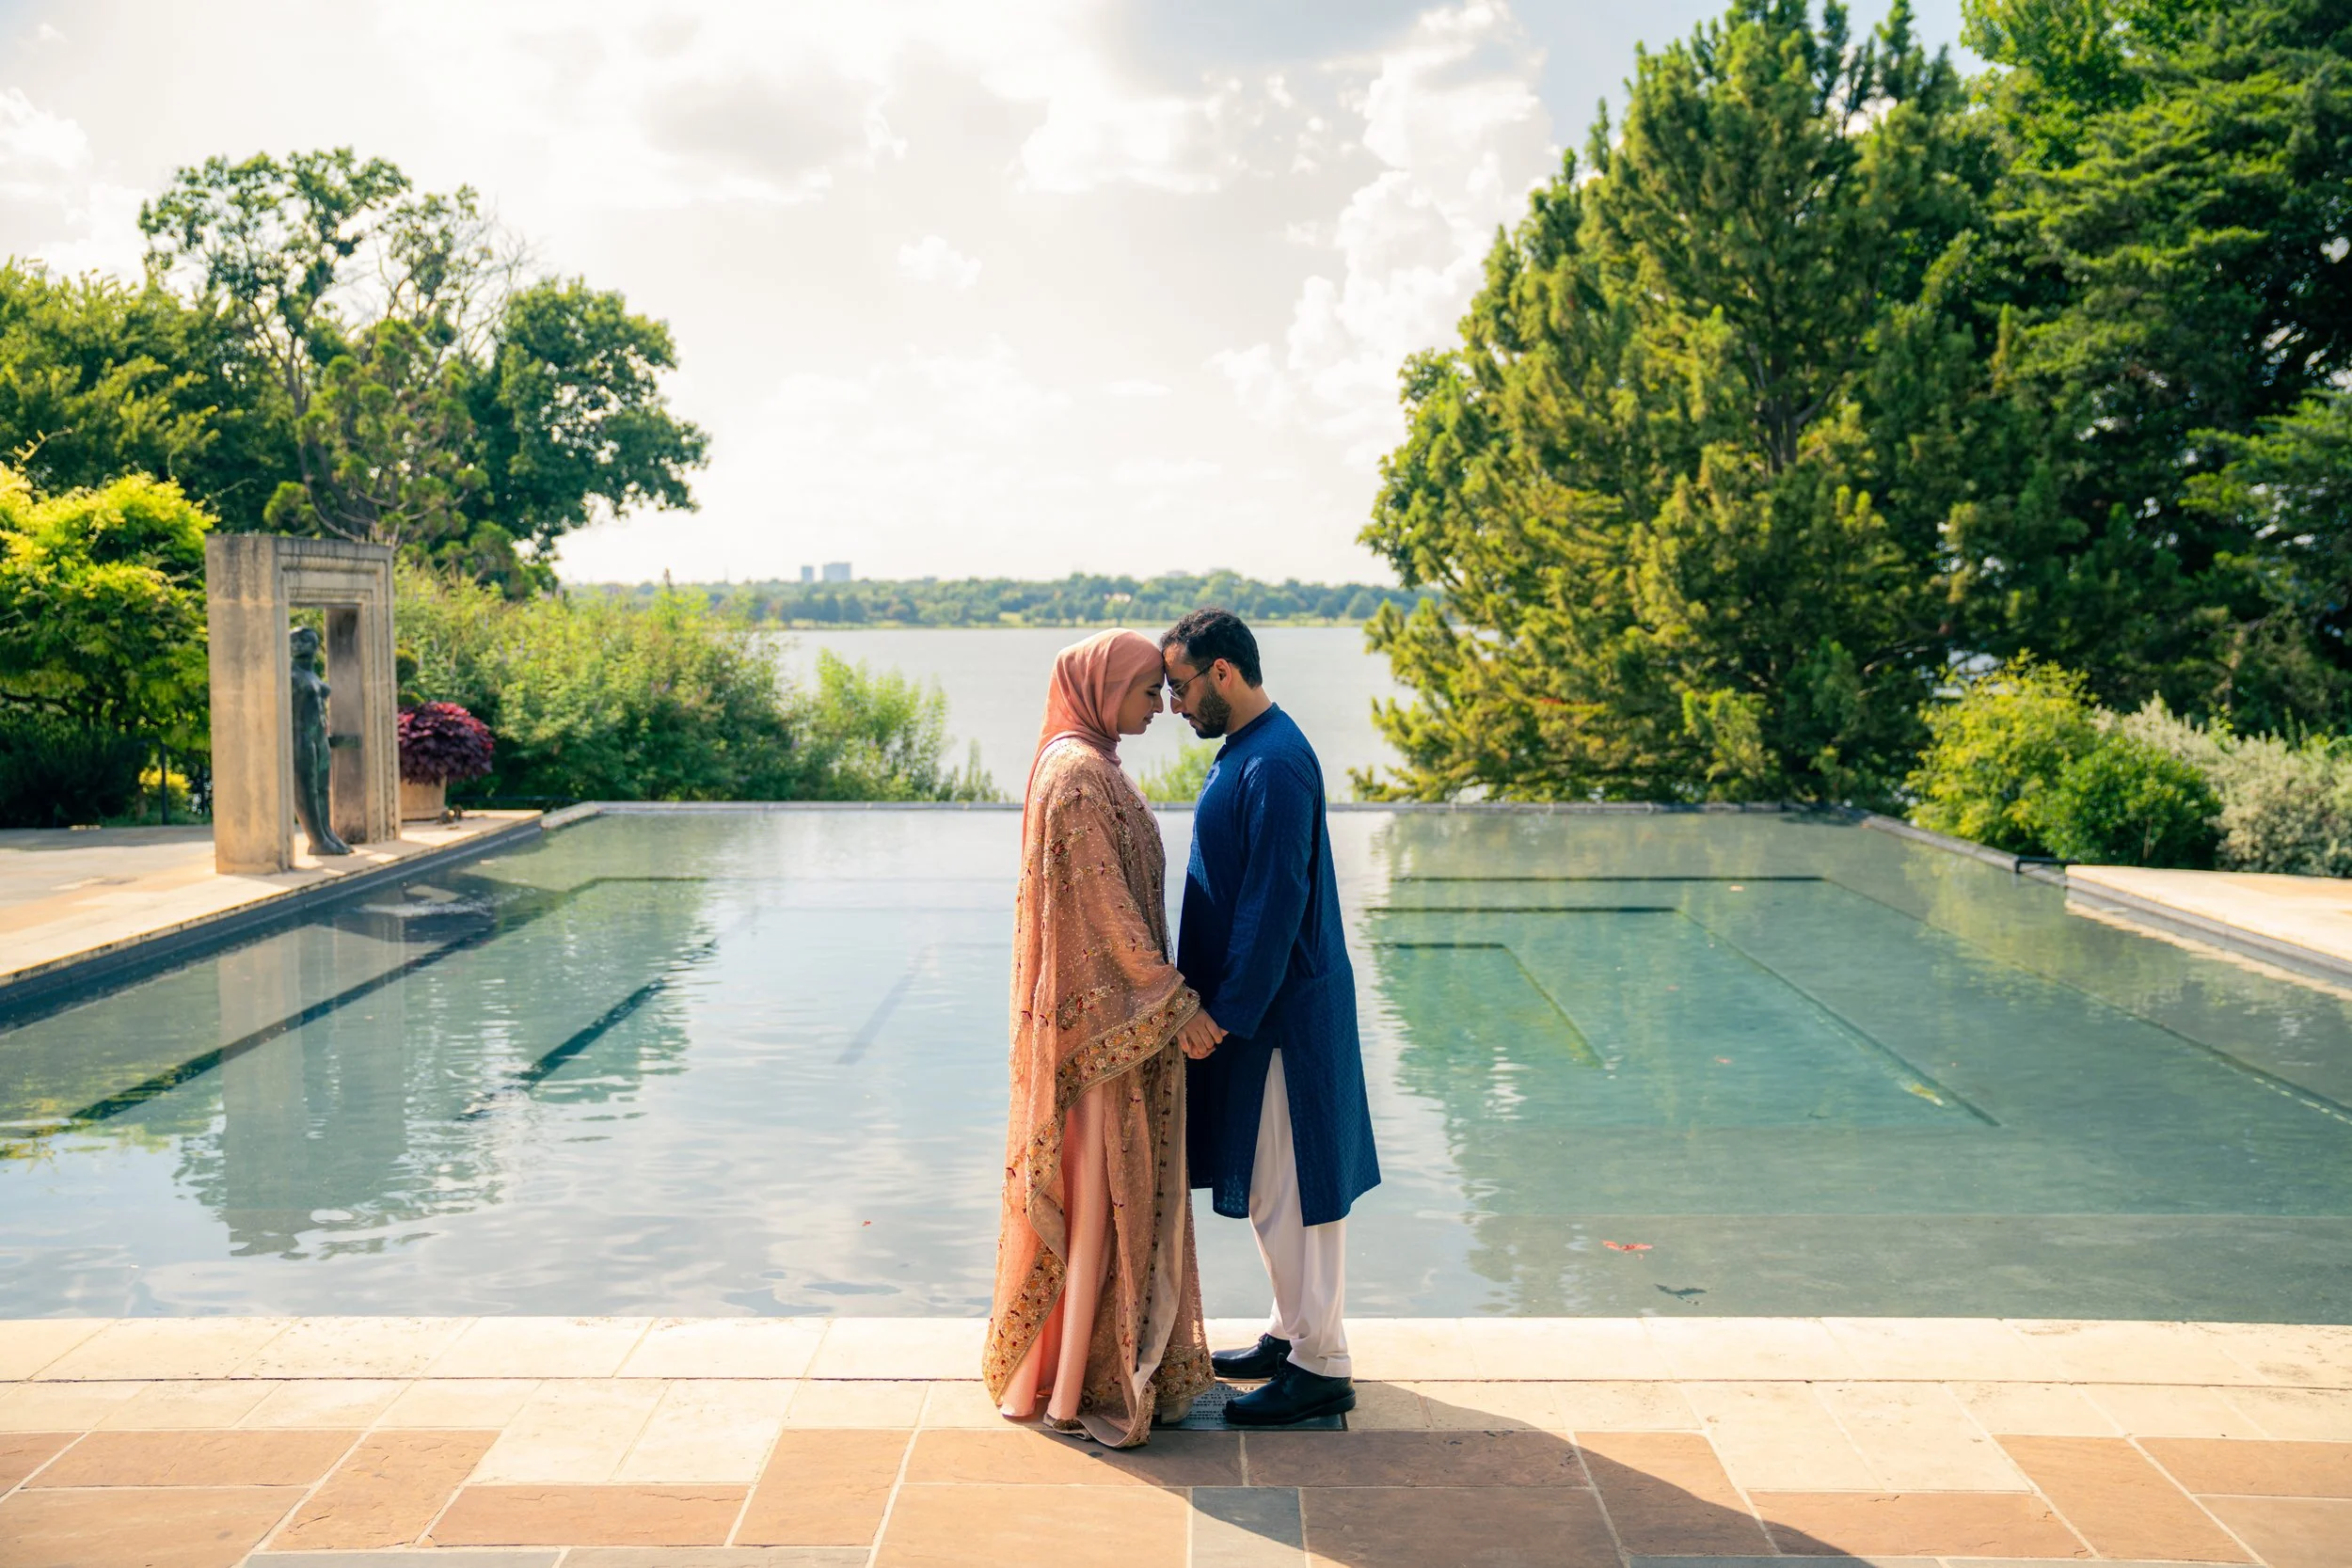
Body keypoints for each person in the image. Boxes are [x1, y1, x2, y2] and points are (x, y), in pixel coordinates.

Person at [982, 628, 1225, 1447]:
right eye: (1147, 690)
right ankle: (1087, 1376)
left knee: (1109, 1206)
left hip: (1111, 1030)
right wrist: (1173, 1003)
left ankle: (1101, 1363)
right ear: (1104, 686)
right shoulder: (1079, 774)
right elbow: (1104, 914)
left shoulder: (1088, 761)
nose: (1161, 704)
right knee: (1099, 1205)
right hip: (1104, 1037)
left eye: (1164, 689)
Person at [1161, 608, 1380, 1426]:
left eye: (1182, 687)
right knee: (1270, 1186)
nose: (1175, 704)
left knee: (1295, 1188)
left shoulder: (1277, 763)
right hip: (1269, 1013)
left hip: (1282, 1017)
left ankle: (1322, 1362)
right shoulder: (1251, 751)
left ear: (1224, 671)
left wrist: (1225, 1013)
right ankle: (1294, 1334)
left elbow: (1275, 900)